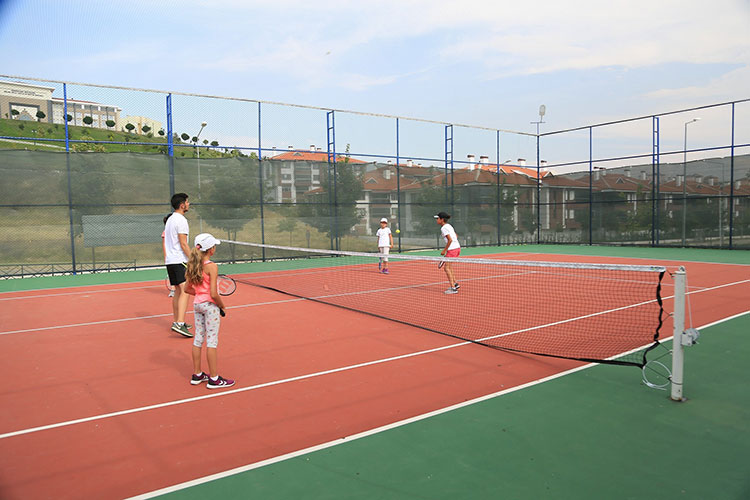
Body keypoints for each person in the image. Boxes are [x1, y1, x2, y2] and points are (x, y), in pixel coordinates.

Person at [184, 233, 234, 389]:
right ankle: (214, 379)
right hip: (210, 307)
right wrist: (222, 306)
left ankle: (197, 374)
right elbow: (213, 294)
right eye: (214, 246)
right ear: (211, 249)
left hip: (197, 305)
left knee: (198, 338)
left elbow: (187, 289)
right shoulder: (212, 266)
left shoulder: (193, 264)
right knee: (212, 340)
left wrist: (200, 295)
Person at [164, 193, 193, 337]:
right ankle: (179, 323)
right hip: (179, 260)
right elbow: (183, 243)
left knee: (178, 291)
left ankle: (177, 321)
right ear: (182, 205)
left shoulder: (170, 220)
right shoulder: (181, 220)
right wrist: (194, 260)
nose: (189, 205)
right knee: (185, 291)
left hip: (170, 261)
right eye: (187, 202)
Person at [434, 211, 461, 294]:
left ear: (442, 220)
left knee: (446, 268)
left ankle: (453, 288)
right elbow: (456, 236)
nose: (436, 220)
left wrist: (444, 250)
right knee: (449, 267)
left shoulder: (443, 228)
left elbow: (450, 239)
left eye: (437, 218)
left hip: (452, 249)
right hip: (457, 248)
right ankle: (455, 283)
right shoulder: (449, 226)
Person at [162, 215, 176, 298]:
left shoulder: (177, 231)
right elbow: (164, 245)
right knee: (172, 275)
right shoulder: (165, 232)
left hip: (178, 256)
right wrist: (166, 256)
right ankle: (173, 290)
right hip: (171, 258)